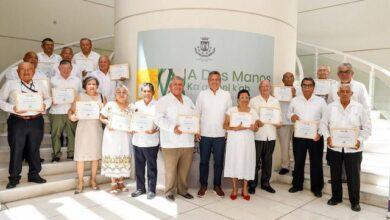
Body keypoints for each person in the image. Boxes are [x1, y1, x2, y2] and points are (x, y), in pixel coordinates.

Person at [0, 62, 52, 189]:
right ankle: (14, 178)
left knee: (34, 149)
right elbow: (0, 100)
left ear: (34, 71)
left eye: (29, 69)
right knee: (17, 149)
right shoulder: (10, 84)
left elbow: (48, 98)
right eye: (22, 69)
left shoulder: (40, 84)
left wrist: (45, 104)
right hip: (17, 121)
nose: (26, 72)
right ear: (18, 72)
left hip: (36, 120)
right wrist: (13, 108)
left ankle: (34, 174)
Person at [320, 84, 371, 212]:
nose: (344, 93)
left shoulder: (359, 108)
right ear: (338, 94)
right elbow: (323, 124)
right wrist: (328, 137)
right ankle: (336, 197)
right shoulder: (331, 107)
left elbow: (367, 128)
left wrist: (360, 140)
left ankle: (355, 201)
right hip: (335, 147)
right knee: (335, 174)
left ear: (351, 93)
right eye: (341, 91)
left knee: (353, 176)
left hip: (353, 149)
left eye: (347, 91)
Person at [154, 76, 196, 201]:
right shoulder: (163, 100)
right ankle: (169, 192)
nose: (178, 86)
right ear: (170, 86)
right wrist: (173, 128)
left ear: (182, 86)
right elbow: (158, 118)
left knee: (184, 170)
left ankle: (183, 190)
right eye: (175, 84)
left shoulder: (188, 100)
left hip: (187, 142)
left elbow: (194, 116)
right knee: (171, 170)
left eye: (180, 84)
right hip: (170, 142)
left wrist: (196, 128)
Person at [287, 77, 327, 197]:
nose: (307, 87)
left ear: (313, 87)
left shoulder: (321, 101)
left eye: (309, 85)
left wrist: (320, 133)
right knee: (298, 161)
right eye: (304, 85)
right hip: (299, 136)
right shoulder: (295, 100)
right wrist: (292, 116)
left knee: (316, 162)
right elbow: (289, 113)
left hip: (315, 136)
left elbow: (325, 119)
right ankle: (297, 185)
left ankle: (317, 188)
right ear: (302, 87)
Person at [195, 71, 232, 198]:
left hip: (220, 135)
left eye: (217, 79)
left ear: (220, 81)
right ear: (208, 81)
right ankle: (203, 185)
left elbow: (229, 115)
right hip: (204, 134)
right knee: (203, 162)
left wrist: (227, 132)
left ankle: (217, 186)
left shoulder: (226, 95)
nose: (214, 81)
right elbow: (197, 114)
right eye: (212, 79)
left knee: (219, 162)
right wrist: (197, 130)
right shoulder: (202, 95)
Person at [68, 76, 106, 194]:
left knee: (95, 157)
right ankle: (80, 182)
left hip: (96, 129)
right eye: (89, 84)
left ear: (97, 86)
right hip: (83, 129)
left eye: (94, 84)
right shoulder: (80, 96)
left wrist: (103, 113)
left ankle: (93, 180)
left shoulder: (101, 97)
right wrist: (72, 117)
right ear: (85, 86)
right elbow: (71, 111)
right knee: (81, 157)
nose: (92, 86)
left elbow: (106, 114)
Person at [223, 89, 258, 201]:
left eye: (247, 97)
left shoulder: (253, 111)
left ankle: (244, 188)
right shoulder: (231, 110)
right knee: (234, 162)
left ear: (249, 99)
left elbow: (257, 127)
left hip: (247, 142)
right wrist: (235, 128)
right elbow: (225, 125)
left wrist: (254, 127)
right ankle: (234, 188)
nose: (244, 99)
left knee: (246, 163)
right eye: (242, 97)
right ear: (237, 99)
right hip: (234, 141)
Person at [248, 80, 281, 194]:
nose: (265, 88)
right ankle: (252, 184)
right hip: (257, 136)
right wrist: (256, 122)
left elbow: (278, 118)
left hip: (271, 135)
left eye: (267, 86)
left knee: (268, 161)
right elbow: (250, 117)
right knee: (255, 162)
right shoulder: (253, 101)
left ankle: (265, 183)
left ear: (270, 88)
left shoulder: (275, 101)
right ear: (259, 88)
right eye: (263, 86)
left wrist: (278, 123)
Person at [100, 85, 133, 194]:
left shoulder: (131, 106)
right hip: (111, 134)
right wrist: (107, 123)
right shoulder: (110, 105)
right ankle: (113, 183)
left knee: (123, 155)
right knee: (113, 155)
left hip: (124, 135)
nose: (121, 94)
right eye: (118, 92)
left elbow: (135, 121)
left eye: (124, 92)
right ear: (115, 94)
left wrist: (132, 128)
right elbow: (101, 117)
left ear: (127, 94)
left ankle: (121, 181)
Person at [130, 83, 160, 200]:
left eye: (149, 91)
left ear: (153, 93)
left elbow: (160, 121)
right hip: (137, 140)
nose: (147, 93)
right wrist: (132, 127)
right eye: (144, 91)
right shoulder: (136, 105)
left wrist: (155, 129)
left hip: (151, 141)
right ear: (141, 92)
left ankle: (151, 190)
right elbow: (132, 119)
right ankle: (140, 188)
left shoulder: (158, 105)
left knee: (151, 167)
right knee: (139, 167)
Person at [49, 60, 81, 162]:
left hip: (71, 110)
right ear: (59, 69)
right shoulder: (52, 80)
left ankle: (71, 153)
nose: (66, 70)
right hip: (56, 111)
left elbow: (79, 94)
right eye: (63, 68)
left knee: (72, 133)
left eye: (68, 68)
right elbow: (48, 94)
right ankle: (56, 154)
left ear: (71, 69)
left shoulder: (77, 80)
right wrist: (52, 100)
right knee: (56, 134)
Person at [277, 72, 298, 175]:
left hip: (296, 123)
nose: (288, 79)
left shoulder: (299, 91)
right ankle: (285, 166)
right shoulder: (278, 92)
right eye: (286, 77)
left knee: (296, 146)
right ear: (283, 80)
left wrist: (294, 96)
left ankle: (296, 167)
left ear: (293, 79)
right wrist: (279, 119)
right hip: (283, 123)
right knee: (284, 145)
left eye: (290, 77)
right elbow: (276, 107)